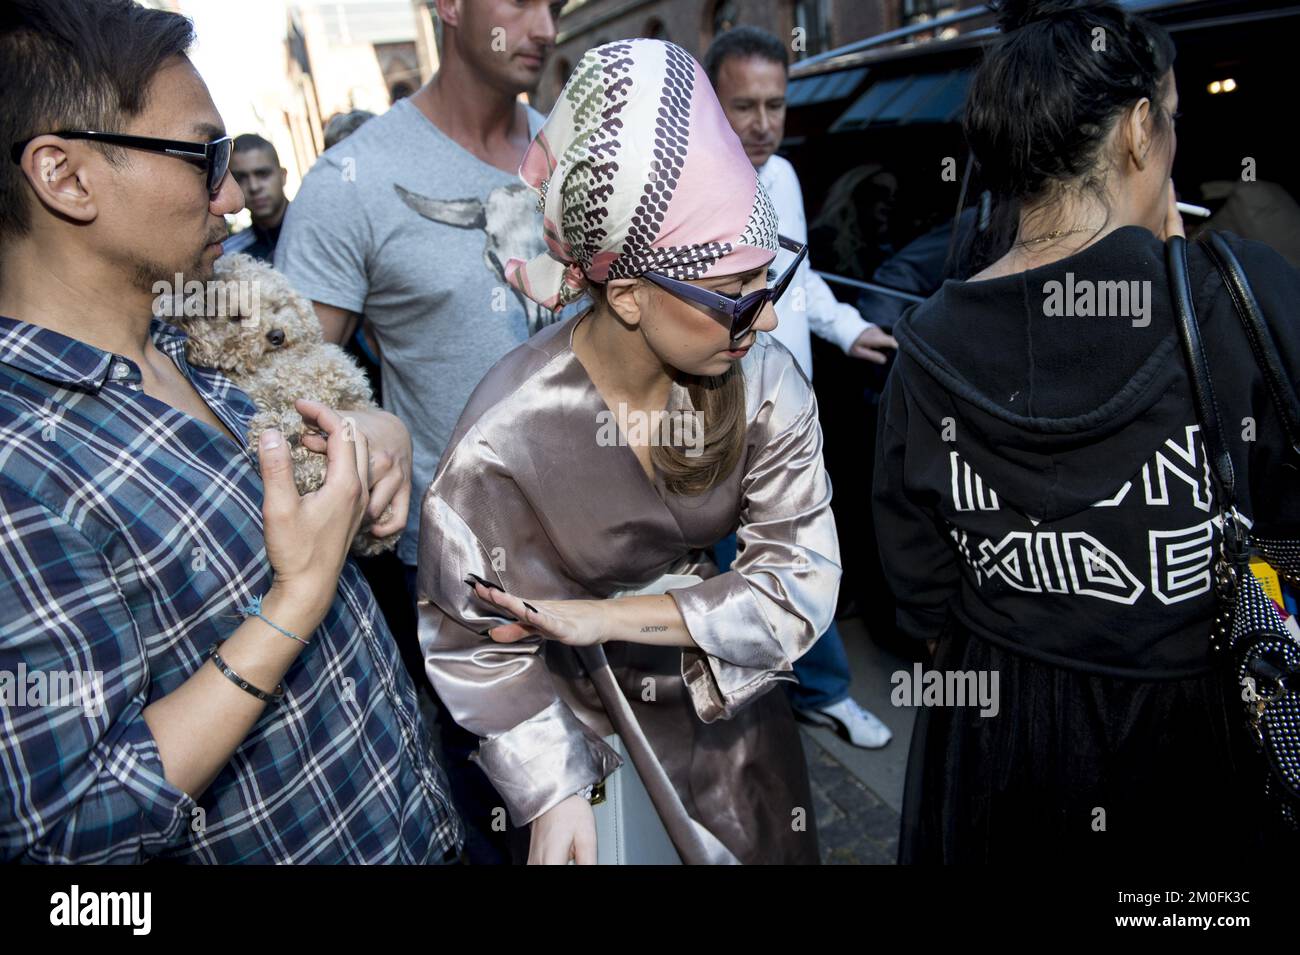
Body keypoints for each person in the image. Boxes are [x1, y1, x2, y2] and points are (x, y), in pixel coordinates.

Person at [0, 0, 461, 864]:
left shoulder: (204, 337)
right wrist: (292, 605)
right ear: (65, 177)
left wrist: (373, 427)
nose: (228, 192)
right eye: (201, 154)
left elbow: (318, 427)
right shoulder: (20, 462)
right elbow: (66, 832)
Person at [873, 0, 1300, 863]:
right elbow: (1288, 525)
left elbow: (916, 585)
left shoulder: (923, 345)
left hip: (997, 736)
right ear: (1139, 131)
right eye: (1172, 118)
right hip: (1199, 729)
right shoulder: (1238, 293)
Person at [417, 38, 838, 864]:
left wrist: (606, 617)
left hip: (729, 695)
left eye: (769, 283)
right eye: (734, 297)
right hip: (586, 721)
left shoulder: (762, 378)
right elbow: (468, 636)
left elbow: (799, 577)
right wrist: (551, 782)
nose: (770, 320)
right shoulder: (505, 433)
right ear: (631, 295)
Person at [275, 0, 567, 864]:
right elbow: (287, 386)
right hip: (462, 582)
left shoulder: (580, 152)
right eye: (520, 1)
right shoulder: (350, 181)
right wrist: (370, 432)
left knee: (623, 805)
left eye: (557, 2)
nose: (545, 27)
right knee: (511, 822)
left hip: (616, 558)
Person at [704, 26, 895, 748]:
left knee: (804, 555)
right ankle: (751, 721)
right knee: (735, 573)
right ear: (711, 101)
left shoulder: (780, 176)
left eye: (776, 105)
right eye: (744, 105)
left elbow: (799, 279)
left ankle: (823, 692)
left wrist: (848, 330)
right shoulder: (681, 191)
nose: (762, 125)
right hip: (715, 424)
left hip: (790, 415)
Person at [225, 133, 288, 261]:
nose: (254, 187)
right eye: (241, 178)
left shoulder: (321, 231)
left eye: (262, 174)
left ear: (283, 176)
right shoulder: (229, 257)